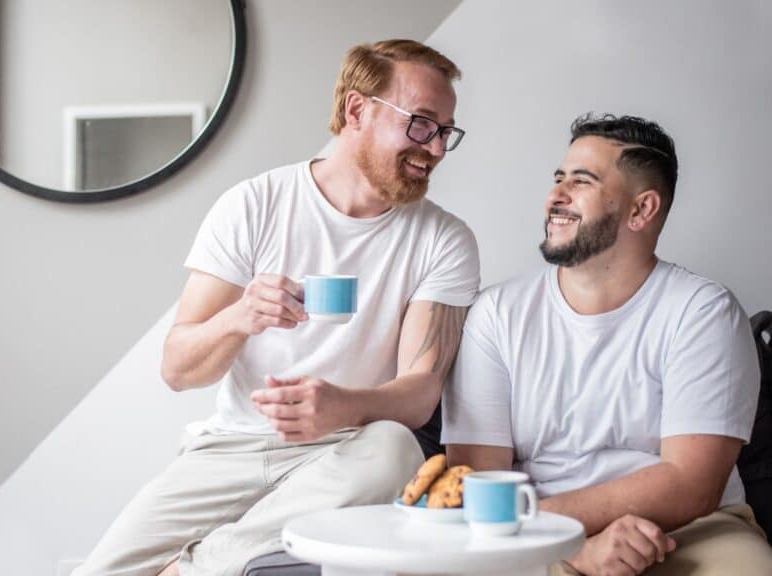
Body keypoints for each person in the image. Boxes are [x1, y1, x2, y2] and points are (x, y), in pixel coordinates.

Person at [75, 39, 480, 576]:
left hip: (345, 452)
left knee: (395, 447)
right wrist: (239, 317)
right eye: (422, 123)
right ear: (357, 110)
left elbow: (420, 393)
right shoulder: (255, 205)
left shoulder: (443, 240)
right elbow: (176, 368)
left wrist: (343, 406)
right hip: (232, 449)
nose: (435, 149)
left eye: (445, 132)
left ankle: (198, 569)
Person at [443, 113, 772, 575]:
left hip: (690, 529)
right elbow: (477, 481)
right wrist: (564, 544)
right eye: (558, 179)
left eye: (582, 182)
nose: (555, 196)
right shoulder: (497, 314)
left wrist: (548, 523)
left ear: (641, 210)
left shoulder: (702, 311)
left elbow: (692, 484)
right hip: (528, 531)